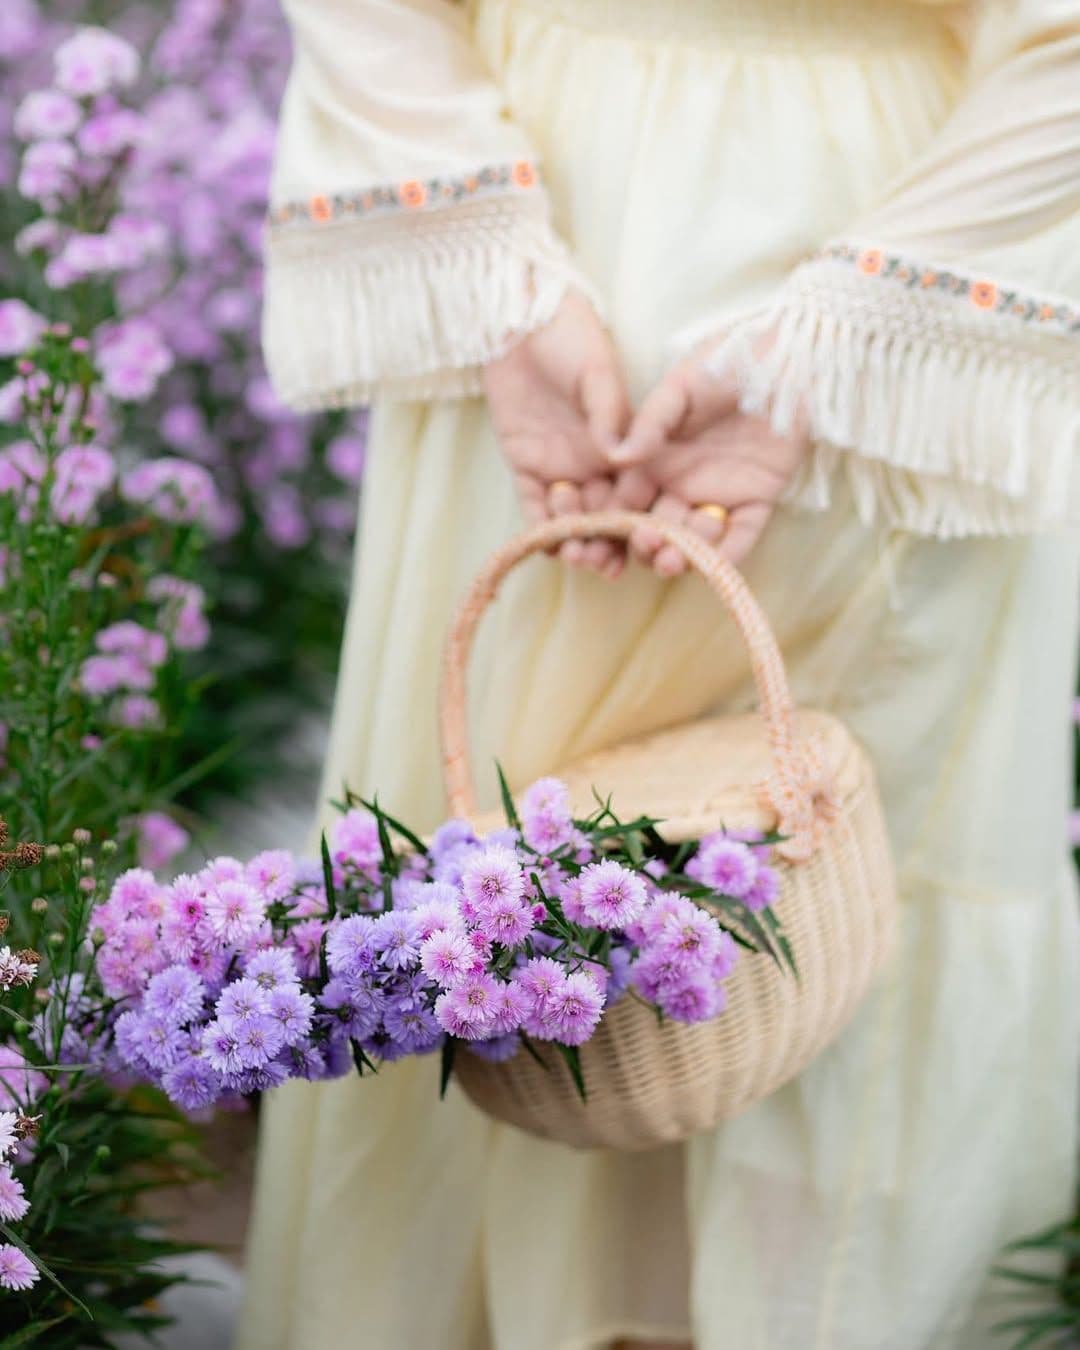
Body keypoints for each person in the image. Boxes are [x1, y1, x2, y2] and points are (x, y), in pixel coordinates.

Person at [239, 2, 1080, 1346]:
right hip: (577, 257)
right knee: (492, 852)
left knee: (837, 900)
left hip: (865, 285)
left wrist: (848, 327)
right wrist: (495, 270)